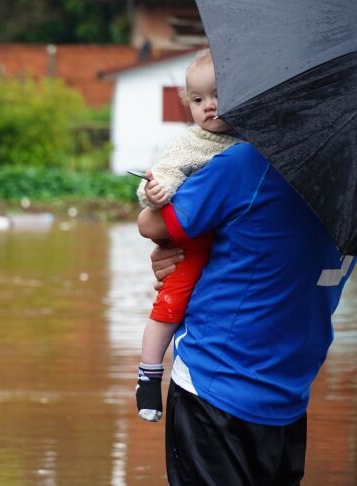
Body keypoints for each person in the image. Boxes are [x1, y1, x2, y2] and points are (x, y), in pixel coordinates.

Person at [138, 109, 356, 484]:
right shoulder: (348, 183)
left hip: (216, 383)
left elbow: (155, 224)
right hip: (290, 388)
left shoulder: (248, 165)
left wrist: (175, 252)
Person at [135, 48, 238, 422]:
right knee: (172, 300)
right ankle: (149, 374)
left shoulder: (253, 141)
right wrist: (155, 193)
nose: (209, 106)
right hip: (193, 237)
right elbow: (159, 184)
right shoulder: (190, 143)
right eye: (198, 100)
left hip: (225, 240)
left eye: (218, 95)